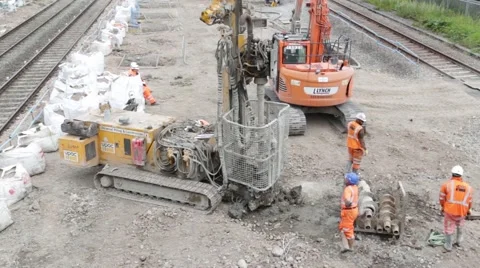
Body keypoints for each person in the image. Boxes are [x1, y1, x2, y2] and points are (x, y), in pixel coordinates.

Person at [439, 165, 473, 252]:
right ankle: (459, 241)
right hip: (462, 212)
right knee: (460, 225)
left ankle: (448, 246)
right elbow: (469, 202)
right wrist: (468, 211)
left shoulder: (446, 185)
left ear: (452, 174)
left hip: (450, 211)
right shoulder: (469, 188)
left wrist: (443, 207)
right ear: (461, 175)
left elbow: (442, 198)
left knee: (449, 227)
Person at [339, 172, 359, 253]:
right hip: (354, 210)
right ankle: (346, 246)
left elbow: (347, 200)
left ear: (349, 181)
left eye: (346, 178)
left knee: (347, 230)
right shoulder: (355, 187)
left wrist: (348, 203)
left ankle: (350, 247)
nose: (345, 179)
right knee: (343, 227)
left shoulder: (347, 189)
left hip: (348, 212)